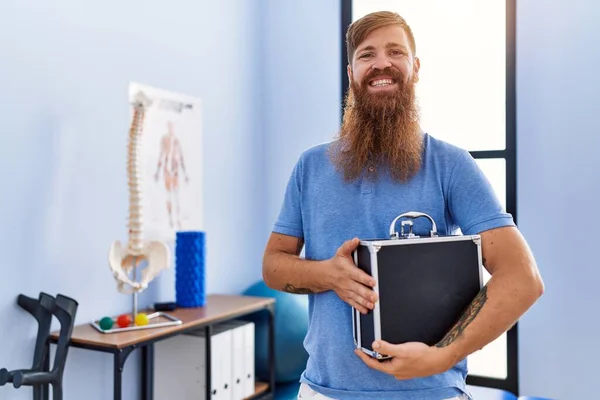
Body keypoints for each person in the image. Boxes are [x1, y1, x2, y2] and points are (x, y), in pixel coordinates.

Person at [262, 10, 544, 400]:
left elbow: (522, 278)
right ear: (351, 74)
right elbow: (274, 267)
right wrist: (330, 275)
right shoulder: (310, 166)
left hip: (431, 392)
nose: (382, 63)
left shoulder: (451, 164)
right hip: (322, 391)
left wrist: (445, 356)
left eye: (395, 51)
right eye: (367, 54)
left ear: (415, 67)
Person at [154, 120, 189, 229]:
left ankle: (178, 219)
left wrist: (185, 173)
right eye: (169, 126)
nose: (171, 128)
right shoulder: (164, 140)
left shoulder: (177, 141)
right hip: (167, 172)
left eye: (172, 126)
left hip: (175, 171)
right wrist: (157, 172)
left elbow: (181, 157)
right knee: (169, 196)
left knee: (176, 196)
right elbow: (161, 155)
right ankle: (170, 220)